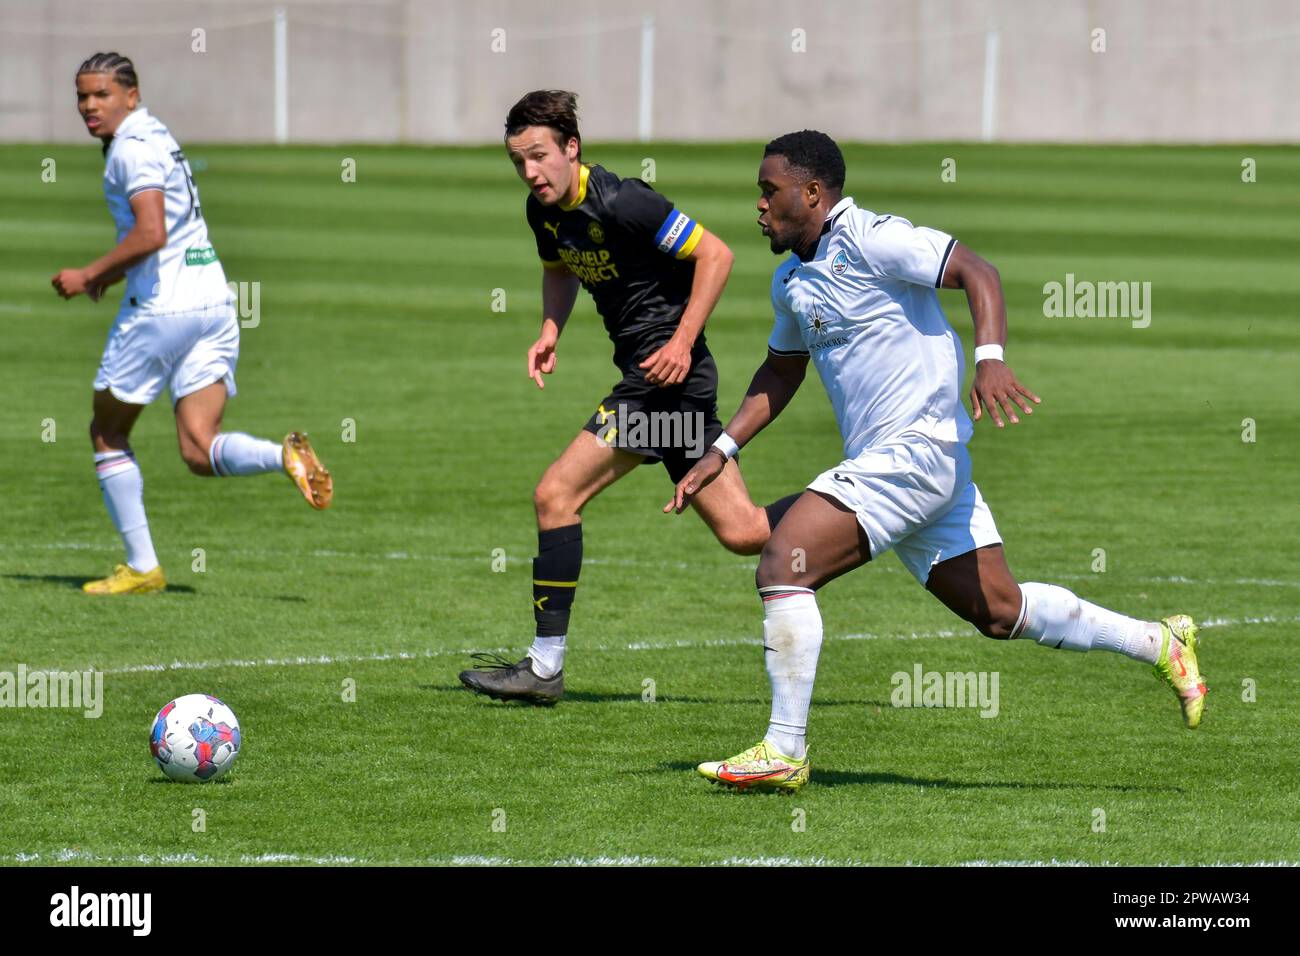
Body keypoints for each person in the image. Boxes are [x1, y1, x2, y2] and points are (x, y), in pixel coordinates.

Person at [666, 130, 1207, 792]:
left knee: (784, 560)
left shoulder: (873, 238)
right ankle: (1160, 644)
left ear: (812, 193)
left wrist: (990, 359)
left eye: (768, 190)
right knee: (1001, 612)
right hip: (901, 467)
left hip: (918, 450)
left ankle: (784, 748)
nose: (758, 204)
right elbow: (781, 371)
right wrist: (722, 450)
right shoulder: (791, 281)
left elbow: (978, 271)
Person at [458, 91, 795, 705]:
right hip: (670, 388)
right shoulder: (546, 214)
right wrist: (550, 330)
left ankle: (544, 666)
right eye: (518, 162)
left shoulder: (625, 201)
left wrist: (682, 342)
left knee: (555, 494)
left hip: (663, 384)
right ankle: (862, 503)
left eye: (539, 156)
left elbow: (716, 255)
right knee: (744, 531)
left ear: (571, 148)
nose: (530, 172)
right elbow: (559, 269)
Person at [52, 52, 333, 596]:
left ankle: (142, 568)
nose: (89, 106)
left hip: (162, 310)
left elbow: (152, 231)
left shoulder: (130, 149)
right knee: (198, 449)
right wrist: (118, 270)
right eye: (82, 96)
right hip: (213, 301)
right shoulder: (156, 133)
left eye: (101, 95)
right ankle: (283, 456)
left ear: (130, 95)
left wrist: (90, 273)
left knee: (107, 432)